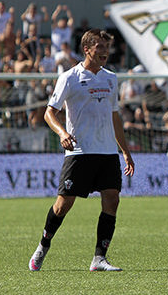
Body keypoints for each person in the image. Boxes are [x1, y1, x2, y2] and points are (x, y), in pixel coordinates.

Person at [28, 28, 135, 272]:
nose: (105, 51)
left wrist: (125, 151)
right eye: (100, 46)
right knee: (63, 205)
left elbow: (115, 116)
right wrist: (63, 133)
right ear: (86, 49)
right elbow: (49, 112)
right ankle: (43, 245)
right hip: (80, 152)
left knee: (112, 199)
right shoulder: (69, 77)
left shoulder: (111, 78)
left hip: (107, 152)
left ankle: (99, 258)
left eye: (107, 47)